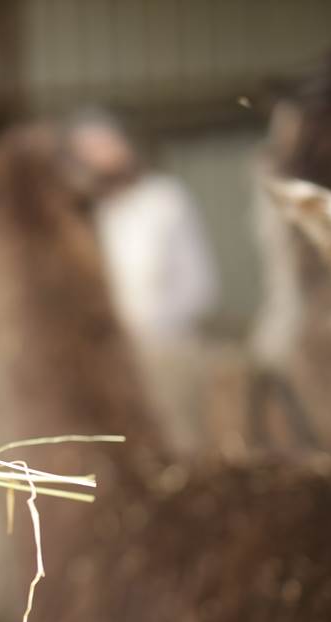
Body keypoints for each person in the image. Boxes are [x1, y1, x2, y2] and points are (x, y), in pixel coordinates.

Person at [66, 110, 219, 454]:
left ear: (125, 146)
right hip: (100, 362)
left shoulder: (164, 201)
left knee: (178, 450)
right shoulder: (80, 216)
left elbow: (200, 284)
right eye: (85, 151)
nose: (97, 159)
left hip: (165, 354)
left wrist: (148, 332)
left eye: (103, 146)